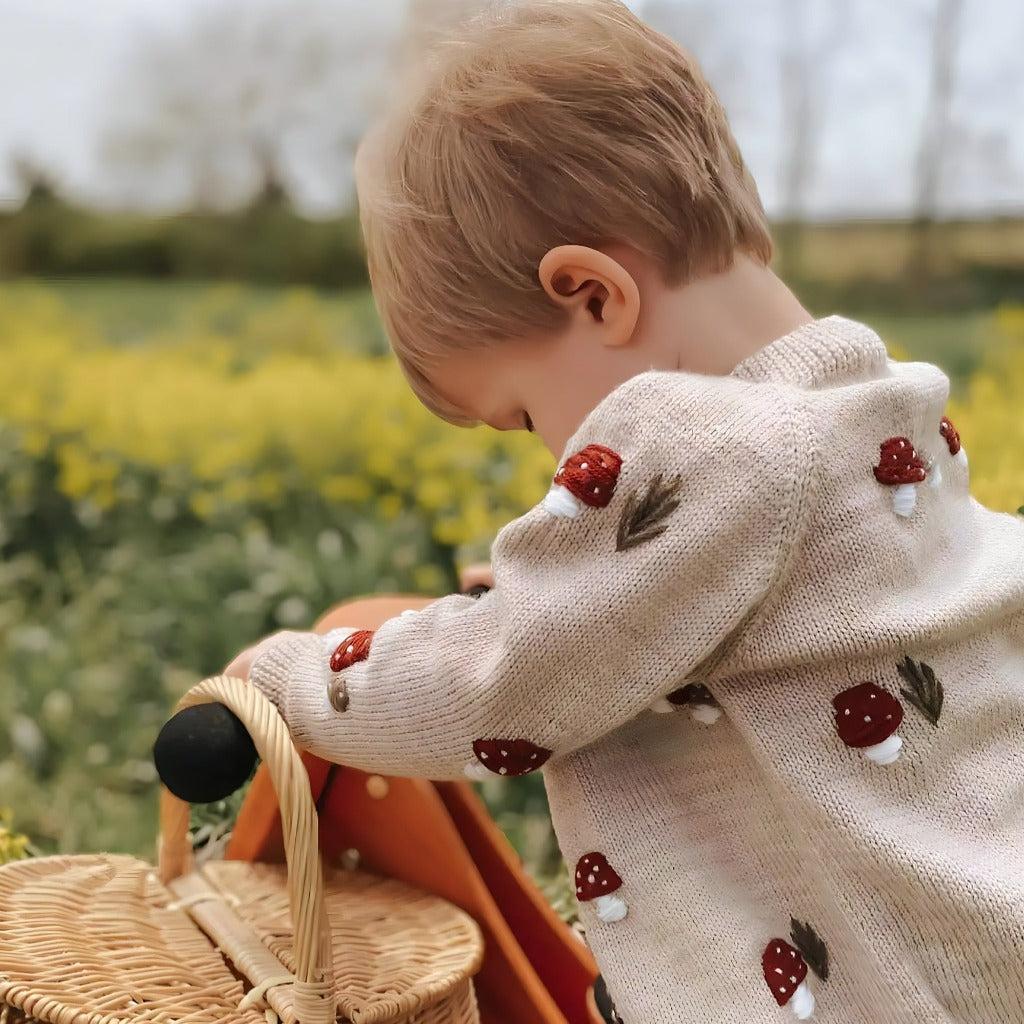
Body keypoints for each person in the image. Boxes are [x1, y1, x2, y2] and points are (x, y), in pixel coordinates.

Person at [226, 2, 1024, 1020]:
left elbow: (504, 686)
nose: (556, 460)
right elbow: (775, 609)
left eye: (521, 415)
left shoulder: (710, 447)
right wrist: (587, 583)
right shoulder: (885, 418)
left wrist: (289, 682)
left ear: (593, 295)